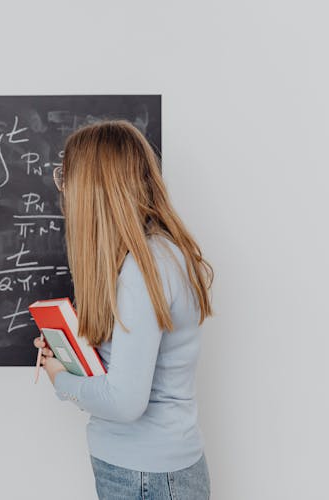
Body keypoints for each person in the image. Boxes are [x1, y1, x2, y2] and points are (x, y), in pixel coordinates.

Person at [35, 121, 213, 499]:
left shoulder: (141, 271)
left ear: (92, 189)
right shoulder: (156, 257)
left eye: (67, 180)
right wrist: (71, 352)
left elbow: (125, 401)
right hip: (148, 471)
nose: (64, 192)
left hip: (145, 476)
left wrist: (58, 378)